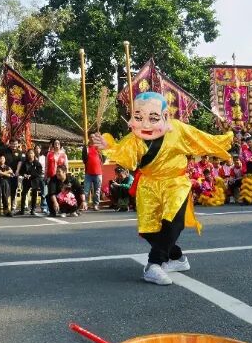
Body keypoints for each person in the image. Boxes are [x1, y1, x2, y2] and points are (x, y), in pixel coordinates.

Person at [92, 91, 232, 286]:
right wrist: (107, 145)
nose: (146, 124)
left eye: (153, 117)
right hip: (148, 185)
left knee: (174, 221)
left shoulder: (177, 129)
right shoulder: (134, 138)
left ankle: (154, 265)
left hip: (175, 183)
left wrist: (227, 135)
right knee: (150, 230)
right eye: (139, 117)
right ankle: (178, 258)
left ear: (165, 116)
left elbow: (202, 139)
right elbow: (125, 156)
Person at [17, 148, 43, 216]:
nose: (30, 154)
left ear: (34, 154)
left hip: (34, 180)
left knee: (34, 195)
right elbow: (21, 172)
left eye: (32, 153)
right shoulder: (25, 162)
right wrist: (24, 175)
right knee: (23, 194)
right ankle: (22, 210)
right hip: (26, 180)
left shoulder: (37, 163)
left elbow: (39, 173)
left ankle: (33, 209)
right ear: (27, 154)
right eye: (29, 153)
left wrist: (31, 175)